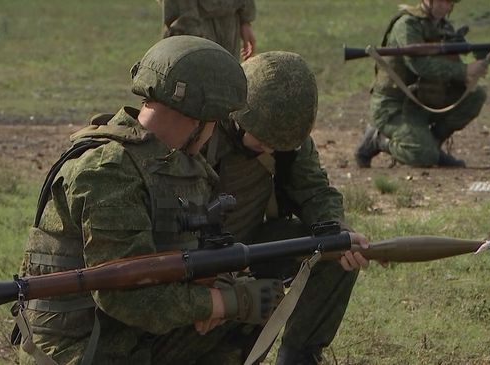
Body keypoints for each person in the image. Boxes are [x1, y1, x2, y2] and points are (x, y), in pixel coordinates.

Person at [15, 35, 288, 365]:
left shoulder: (175, 164)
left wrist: (225, 287)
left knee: (245, 316)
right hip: (81, 346)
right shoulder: (108, 171)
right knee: (238, 306)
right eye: (214, 121)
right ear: (198, 117)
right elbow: (126, 297)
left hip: (129, 335)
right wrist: (220, 302)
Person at [203, 51, 378, 365]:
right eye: (265, 140)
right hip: (189, 259)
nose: (272, 148)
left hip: (250, 247)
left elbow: (314, 191)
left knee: (333, 252)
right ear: (238, 115)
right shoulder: (200, 131)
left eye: (280, 143)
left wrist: (338, 231)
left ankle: (299, 356)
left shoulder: (288, 139)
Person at [355, 0, 488, 168]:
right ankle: (377, 139)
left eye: (449, 2)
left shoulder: (444, 27)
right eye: (440, 1)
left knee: (474, 96)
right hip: (394, 106)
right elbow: (420, 65)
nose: (444, 6)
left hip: (423, 101)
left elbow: (449, 65)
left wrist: (468, 76)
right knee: (423, 156)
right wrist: (463, 70)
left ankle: (433, 145)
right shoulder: (406, 25)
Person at [157, 0, 256, 60]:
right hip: (196, 23)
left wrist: (245, 18)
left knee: (228, 84)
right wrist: (187, 31)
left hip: (229, 21)